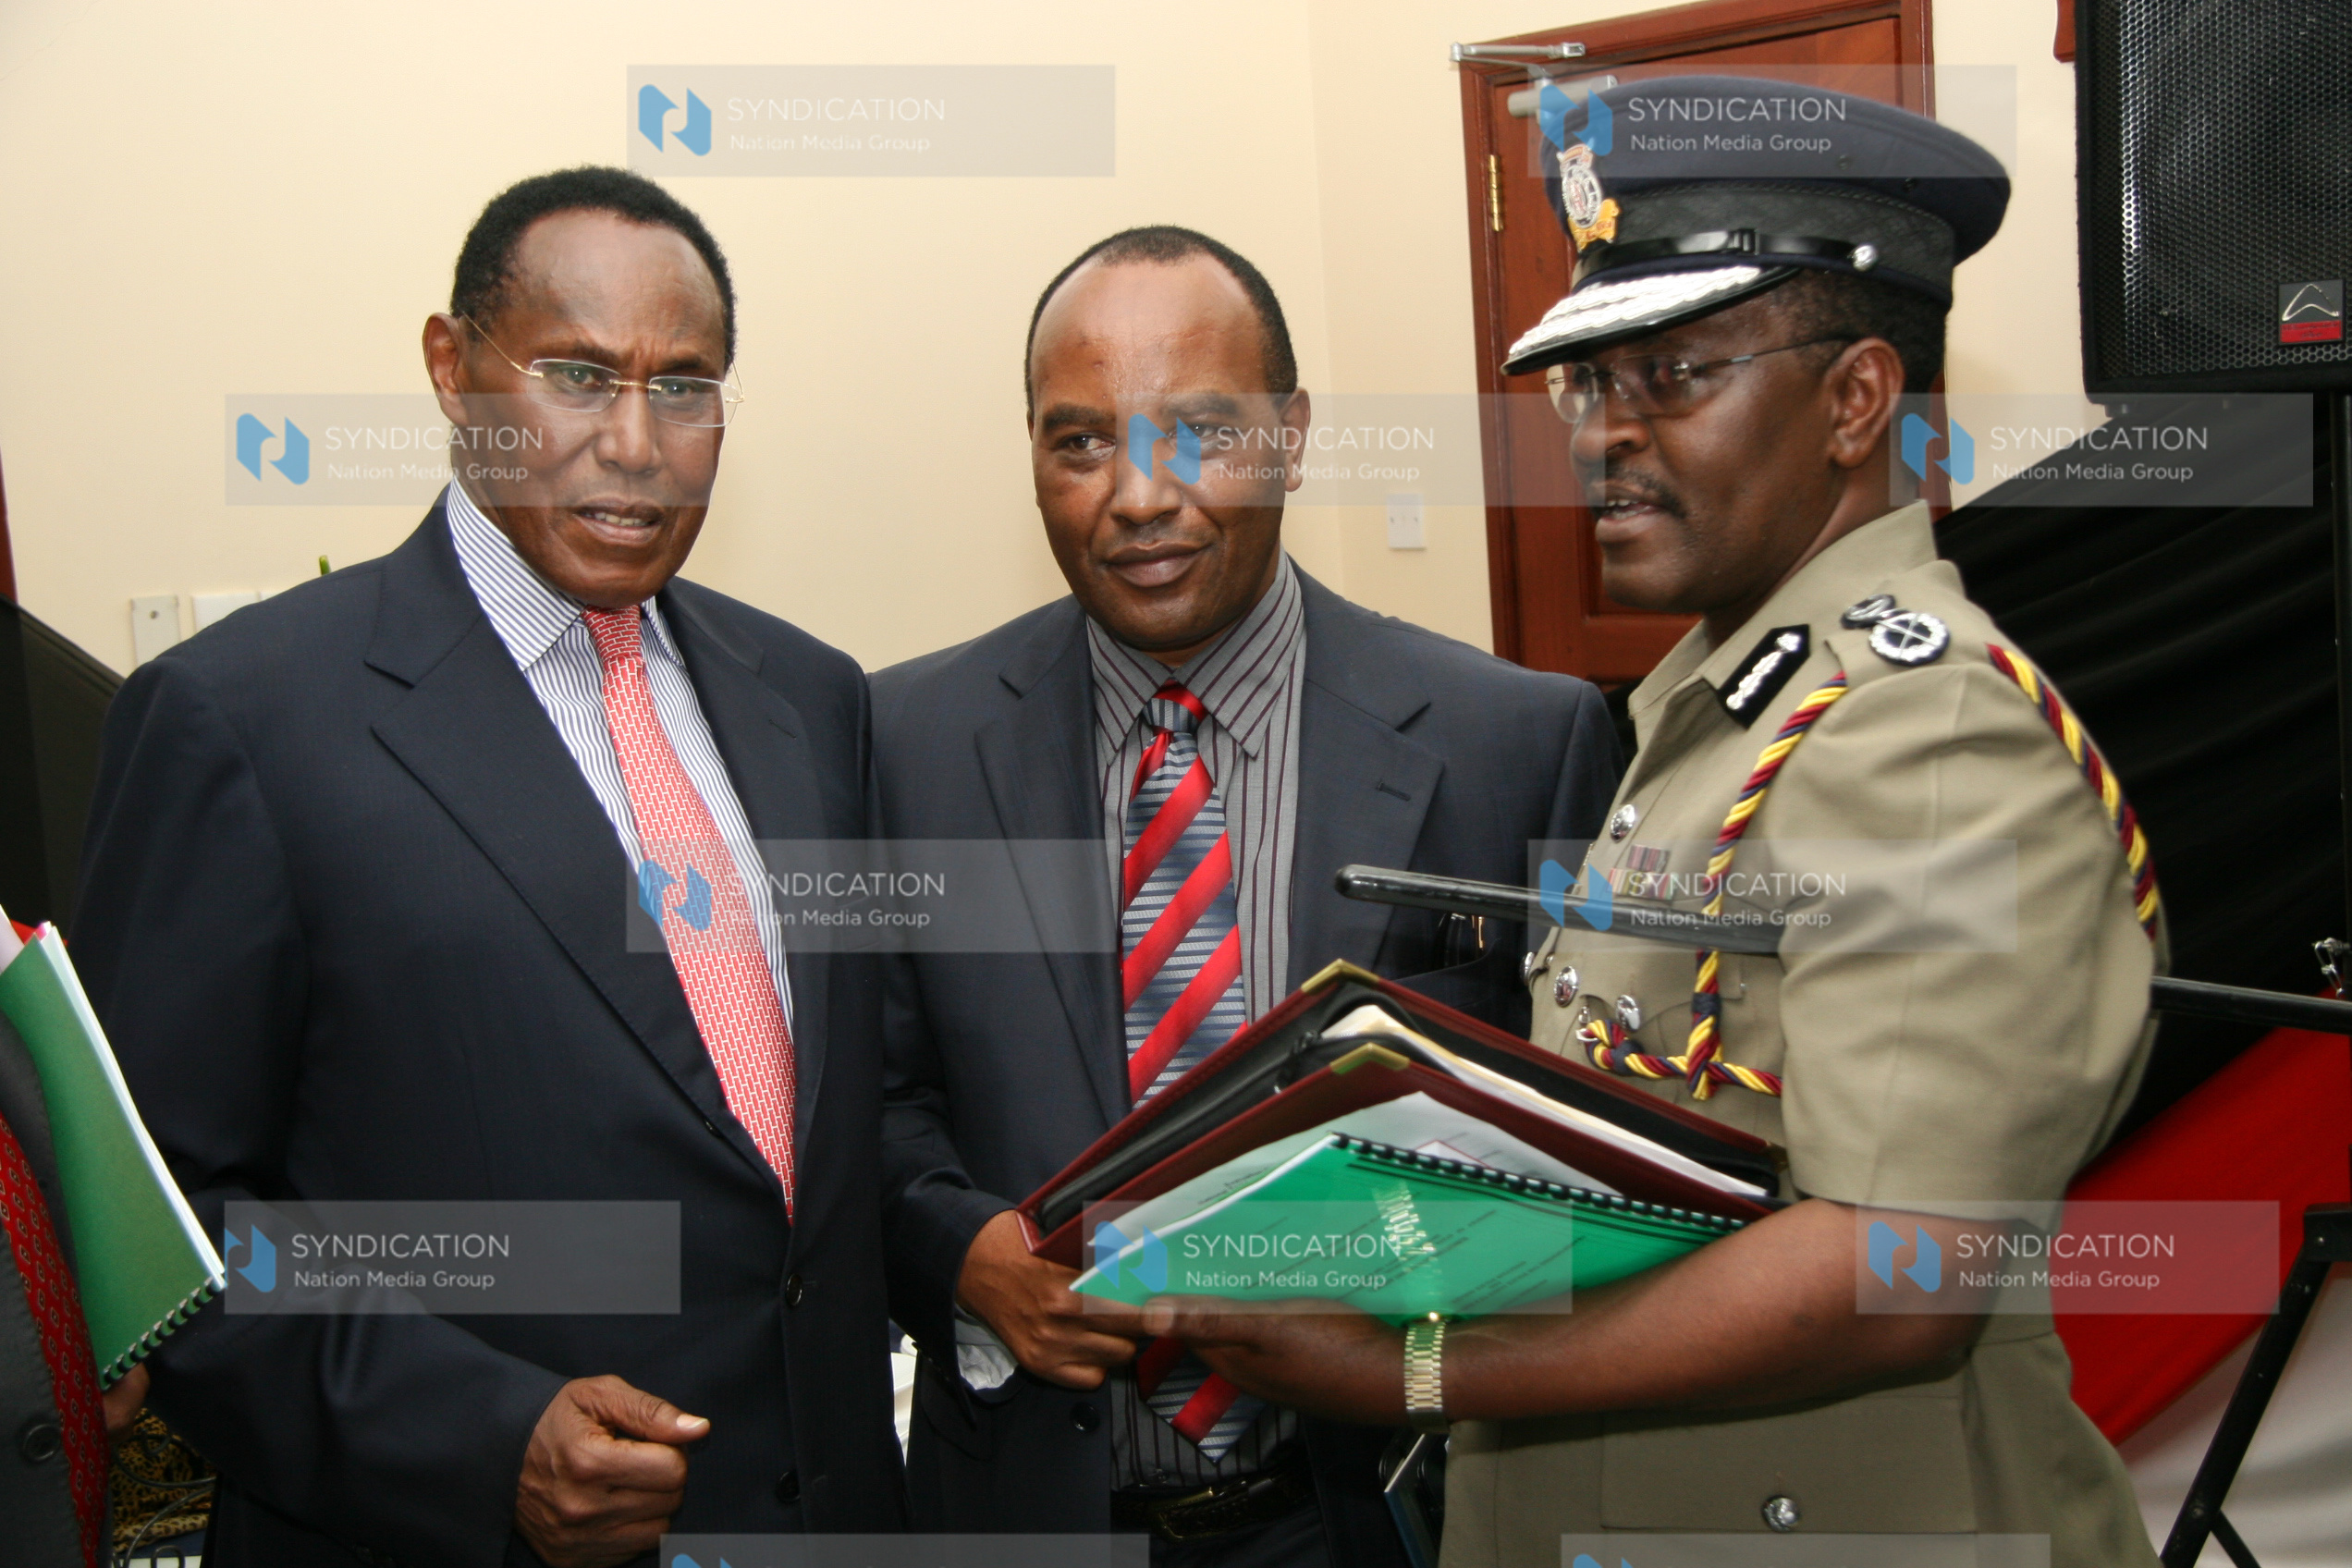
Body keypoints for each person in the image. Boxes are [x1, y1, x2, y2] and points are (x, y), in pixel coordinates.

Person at [1141, 81, 2164, 1565]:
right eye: (1588, 385)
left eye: (1672, 375)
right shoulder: (1723, 711)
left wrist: (1415, 1371)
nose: (1605, 437)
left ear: (1857, 399)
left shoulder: (1920, 731)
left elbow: (1902, 1270)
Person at [73, 166, 901, 1566]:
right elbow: (157, 1234)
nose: (635, 444)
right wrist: (480, 1438)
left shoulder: (811, 698)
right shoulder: (243, 721)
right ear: (454, 371)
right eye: (578, 376)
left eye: (686, 388)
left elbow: (827, 1159)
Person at [873, 227, 1621, 1564]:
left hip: (1370, 1514)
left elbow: (1573, 1153)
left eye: (1199, 432)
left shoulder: (1516, 742)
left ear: (1292, 433)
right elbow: (862, 1102)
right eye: (1080, 442)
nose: (1138, 497)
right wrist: (963, 1253)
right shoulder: (902, 744)